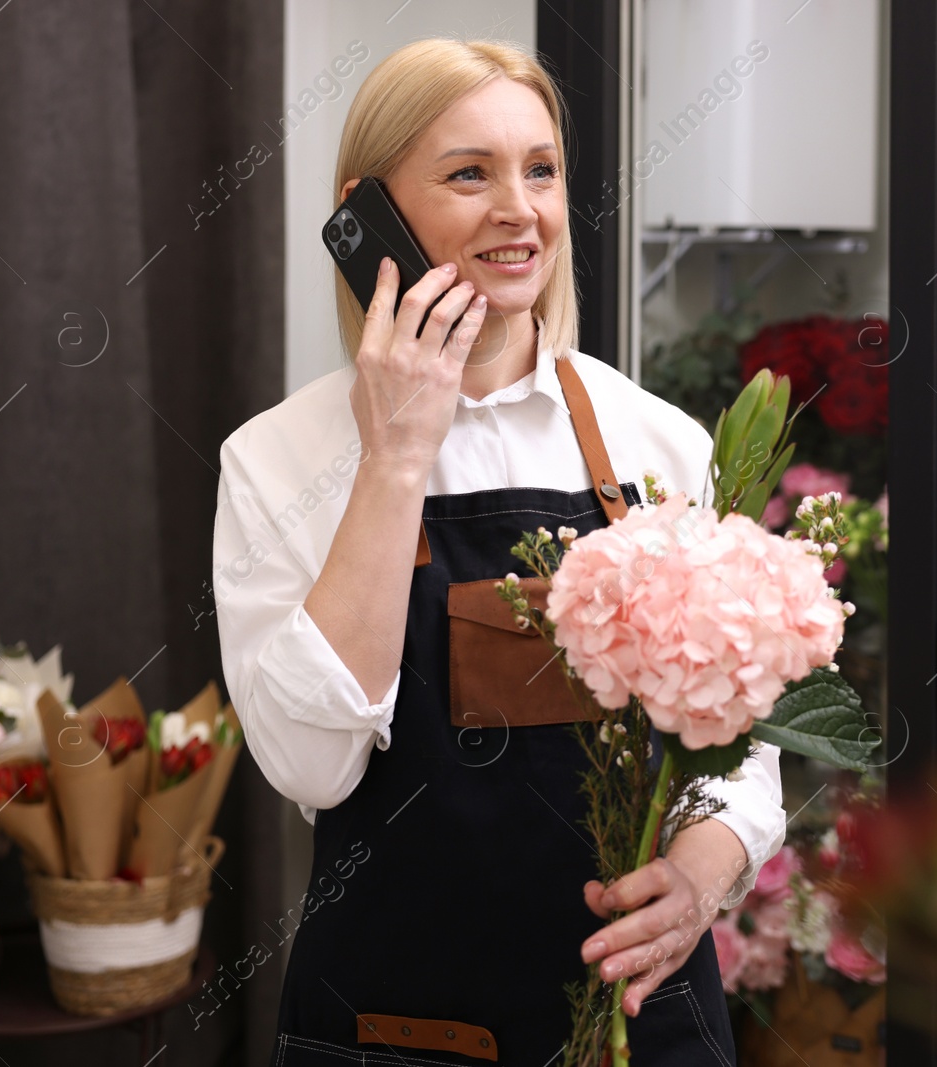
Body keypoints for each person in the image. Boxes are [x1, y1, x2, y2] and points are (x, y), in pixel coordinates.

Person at [212, 37, 786, 1067]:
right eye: (468, 172)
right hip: (396, 1028)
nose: (519, 210)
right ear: (366, 210)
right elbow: (310, 762)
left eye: (541, 169)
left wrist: (701, 873)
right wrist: (394, 454)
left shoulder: (657, 441)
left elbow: (744, 740)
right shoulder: (275, 460)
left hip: (641, 1021)